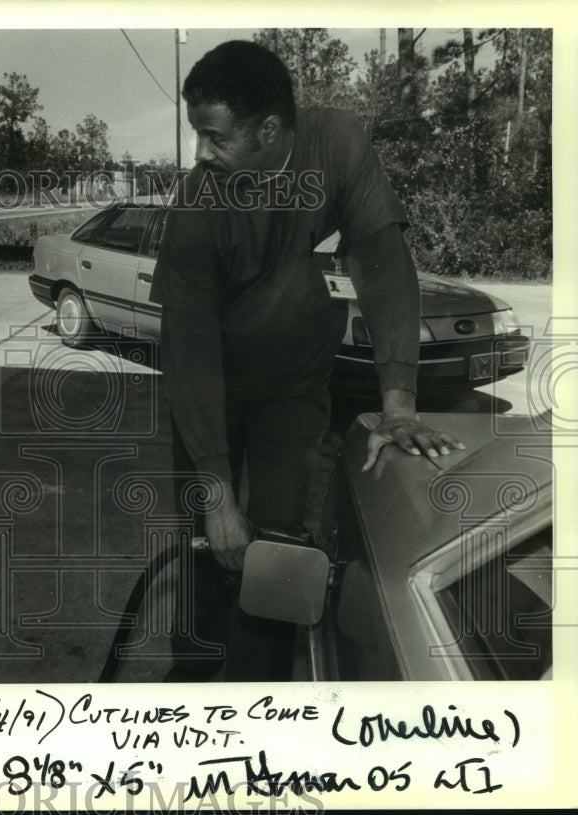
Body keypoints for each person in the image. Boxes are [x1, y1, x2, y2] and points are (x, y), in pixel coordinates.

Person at [150, 40, 464, 681]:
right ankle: (190, 683)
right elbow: (190, 352)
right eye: (196, 136)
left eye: (214, 137)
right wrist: (215, 489)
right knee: (208, 535)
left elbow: (381, 261)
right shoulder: (197, 203)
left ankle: (260, 694)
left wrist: (398, 401)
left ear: (269, 130)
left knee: (277, 548)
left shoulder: (335, 144)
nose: (200, 154)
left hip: (294, 389)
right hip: (210, 387)